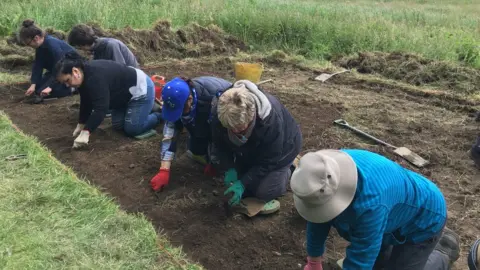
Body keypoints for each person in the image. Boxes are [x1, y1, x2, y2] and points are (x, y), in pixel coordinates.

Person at [290, 149, 461, 270]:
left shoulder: (369, 205)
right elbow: (317, 219)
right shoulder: (325, 169)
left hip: (424, 218)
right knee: (379, 262)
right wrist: (313, 261)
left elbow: (363, 254)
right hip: (393, 212)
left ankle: (443, 251)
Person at [209, 80, 302, 214]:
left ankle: (290, 167)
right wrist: (229, 168)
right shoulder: (221, 111)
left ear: (251, 116)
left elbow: (269, 160)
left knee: (264, 192)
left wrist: (243, 183)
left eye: (240, 129)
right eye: (230, 129)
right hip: (250, 149)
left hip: (282, 150)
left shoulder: (270, 121)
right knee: (240, 180)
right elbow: (219, 145)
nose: (235, 132)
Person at [55, 53, 162, 149]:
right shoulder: (84, 76)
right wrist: (81, 123)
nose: (67, 85)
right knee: (118, 125)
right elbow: (86, 101)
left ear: (75, 71)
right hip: (123, 95)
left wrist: (86, 132)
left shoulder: (95, 78)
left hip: (141, 90)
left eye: (67, 81)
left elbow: (101, 108)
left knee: (133, 129)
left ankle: (159, 114)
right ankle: (145, 109)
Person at [149, 76, 233, 192]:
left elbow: (219, 134)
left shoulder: (213, 100)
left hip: (225, 113)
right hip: (201, 112)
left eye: (180, 110)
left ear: (189, 99)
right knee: (196, 150)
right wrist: (164, 170)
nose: (177, 115)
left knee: (222, 161)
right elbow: (169, 133)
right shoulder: (175, 98)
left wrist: (214, 161)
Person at [18, 19, 79, 104]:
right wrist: (33, 84)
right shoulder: (40, 47)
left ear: (36, 38)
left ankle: (73, 88)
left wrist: (51, 86)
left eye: (28, 43)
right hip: (55, 71)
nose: (29, 46)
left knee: (46, 92)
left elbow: (61, 67)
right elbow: (38, 65)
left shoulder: (52, 45)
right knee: (38, 89)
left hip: (68, 71)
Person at [67, 24, 139, 68]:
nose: (80, 50)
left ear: (84, 45)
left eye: (78, 47)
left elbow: (121, 70)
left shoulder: (110, 46)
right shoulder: (96, 48)